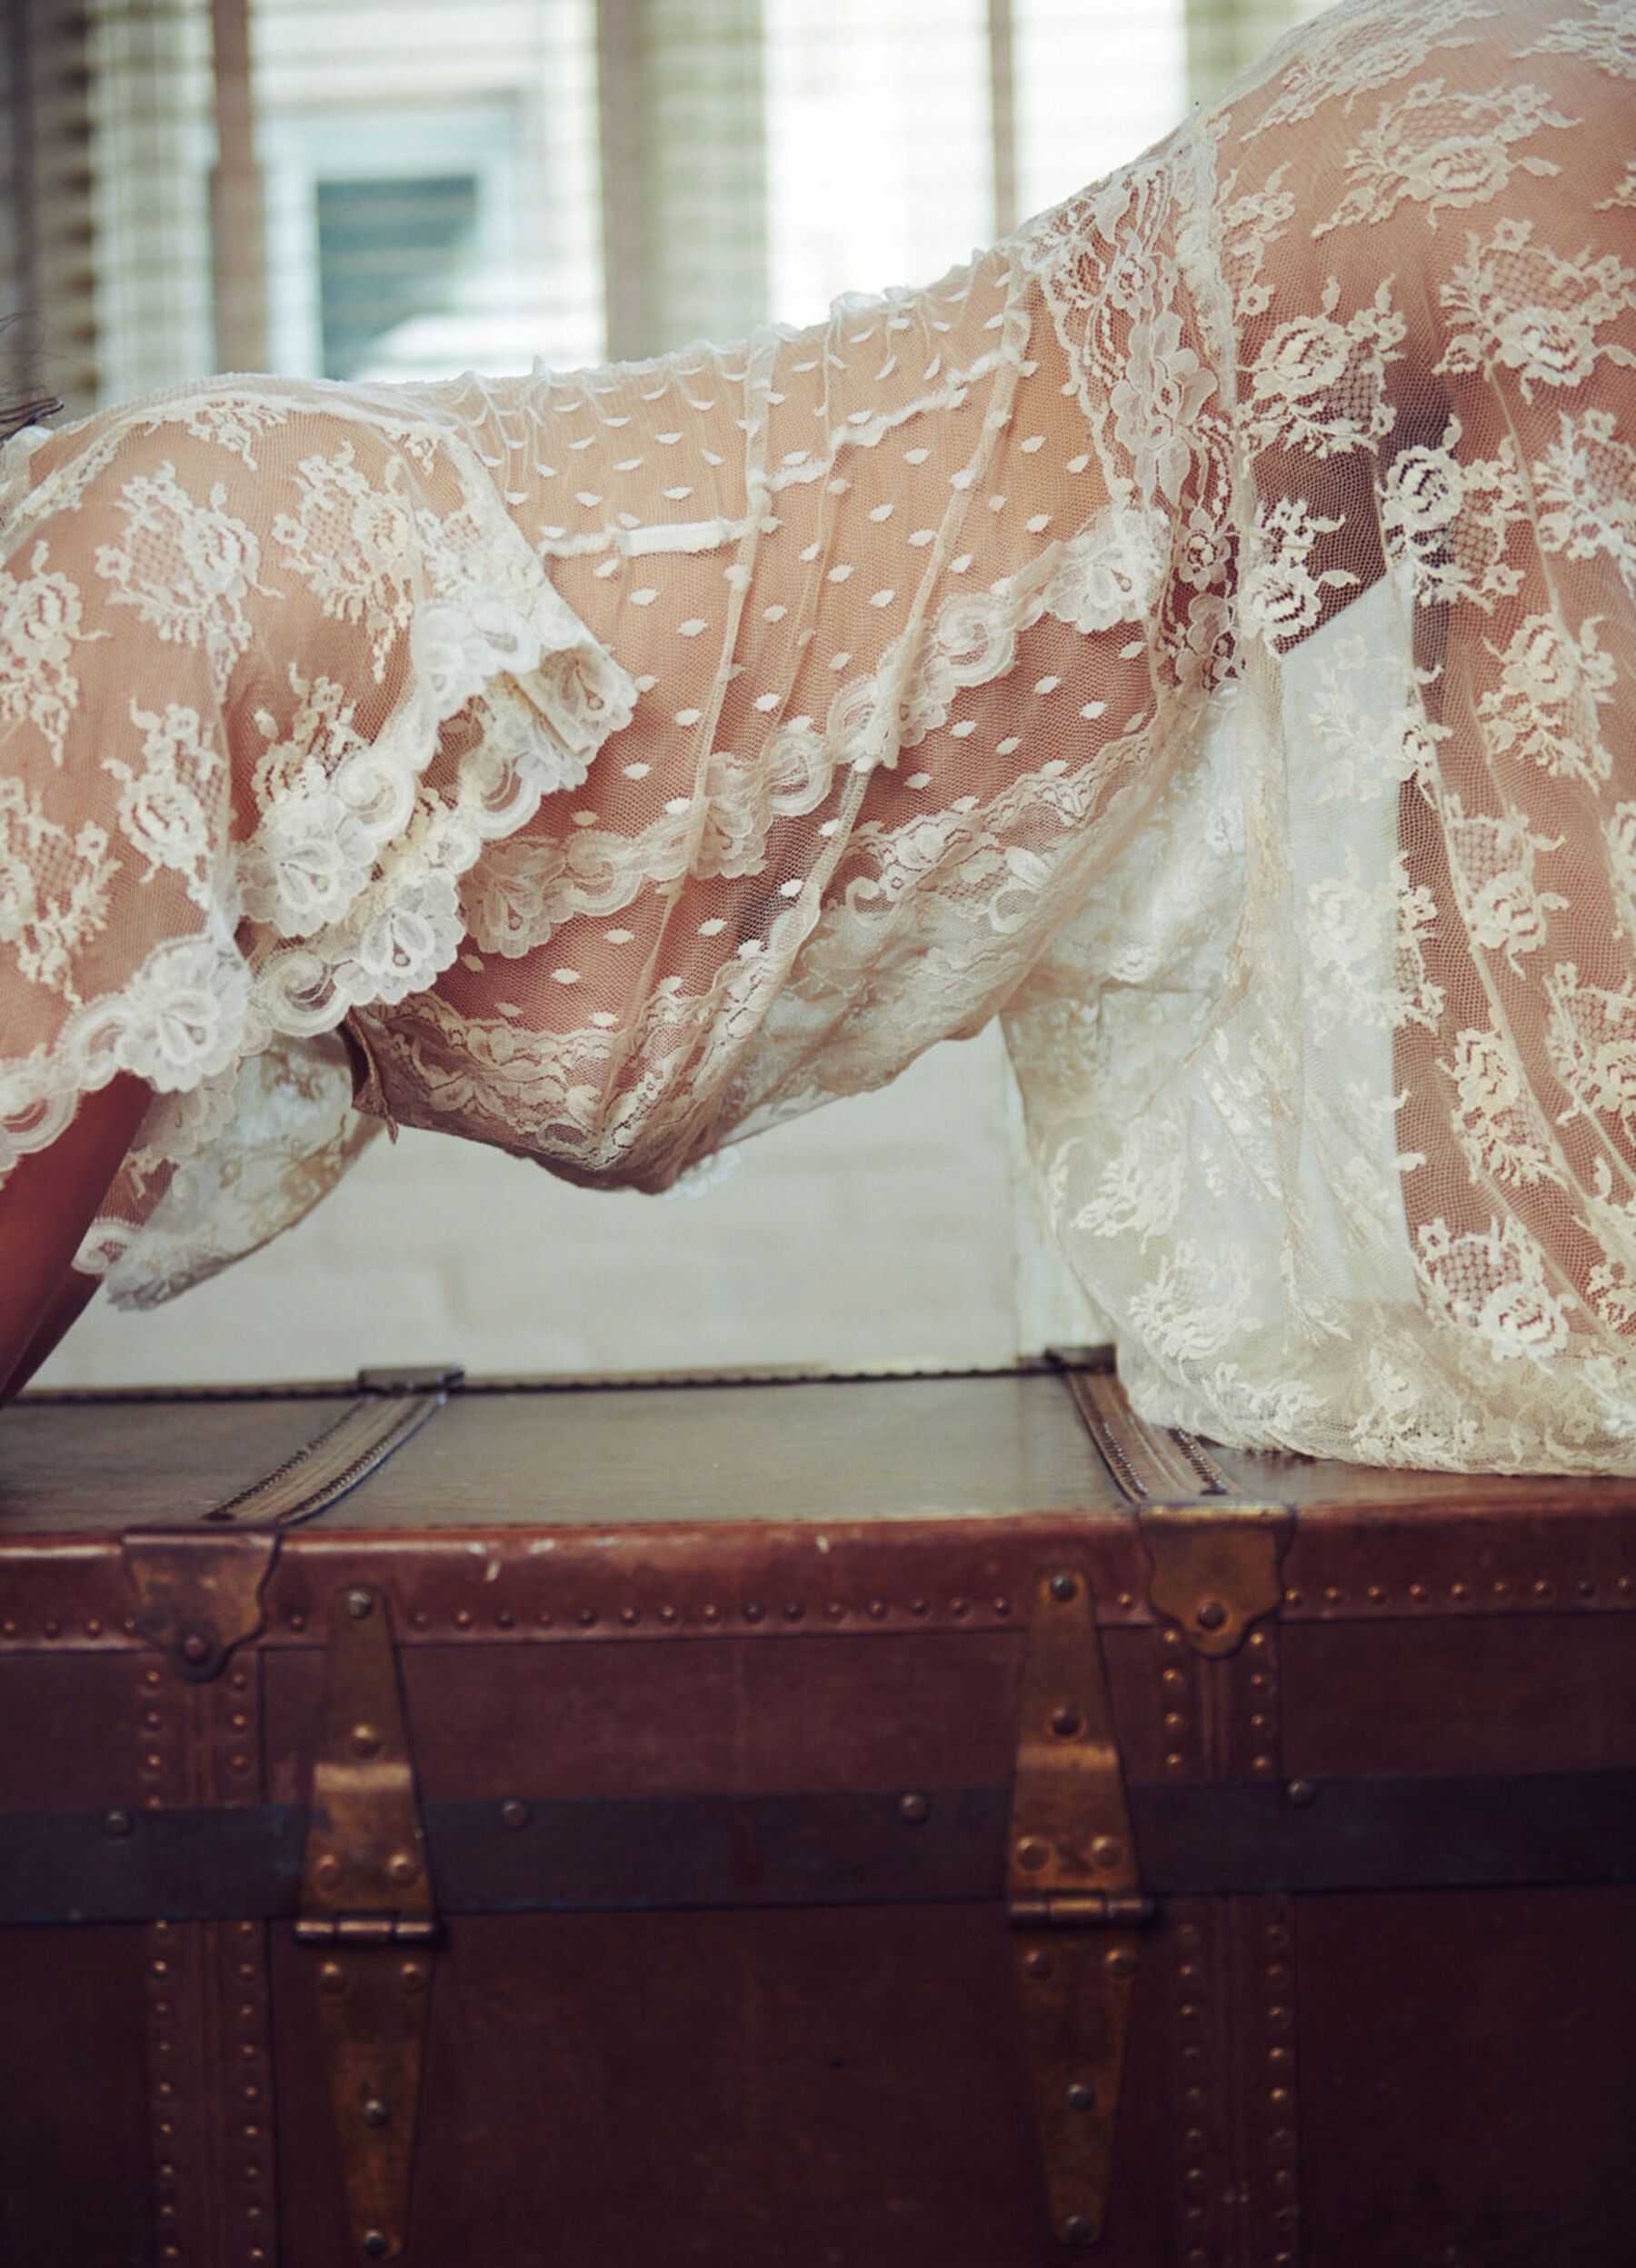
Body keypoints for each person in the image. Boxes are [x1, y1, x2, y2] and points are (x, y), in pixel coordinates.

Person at [1, 0, 1632, 1472]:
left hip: (1444, 184)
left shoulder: (78, 594)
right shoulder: (107, 578)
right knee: (1551, 1299)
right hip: (1397, 182)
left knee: (1571, 1318)